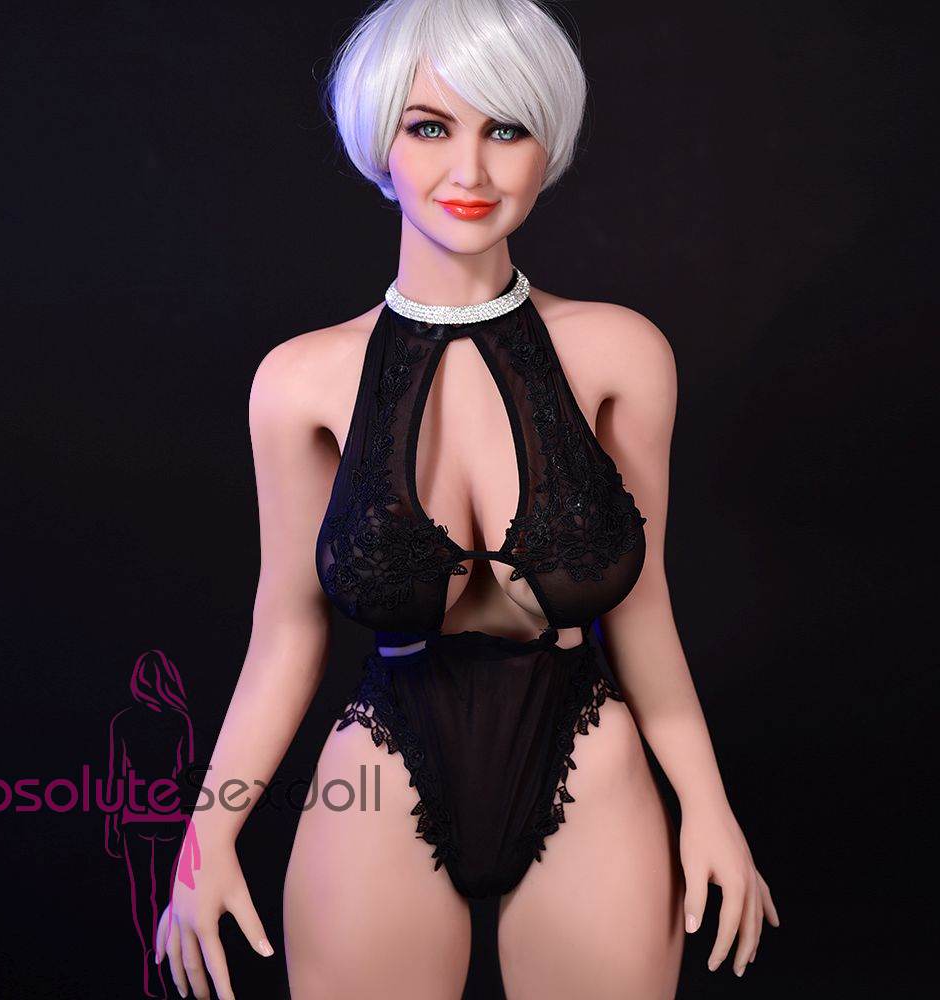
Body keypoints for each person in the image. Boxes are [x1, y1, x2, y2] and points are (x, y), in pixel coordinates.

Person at [155, 2, 780, 998]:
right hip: (379, 774)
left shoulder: (621, 355)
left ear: (548, 143)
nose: (471, 172)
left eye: (506, 128)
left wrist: (708, 806)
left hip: (592, 766)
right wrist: (207, 835)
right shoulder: (300, 383)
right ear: (380, 141)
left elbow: (645, 611)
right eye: (429, 126)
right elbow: (285, 633)